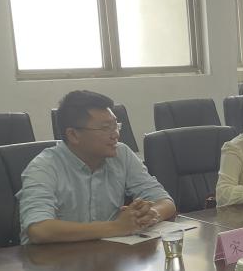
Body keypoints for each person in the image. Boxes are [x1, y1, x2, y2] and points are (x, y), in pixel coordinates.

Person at [18, 90, 175, 245]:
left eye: (116, 126)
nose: (115, 134)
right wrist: (116, 227)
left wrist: (148, 215)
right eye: (106, 128)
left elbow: (165, 202)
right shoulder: (44, 167)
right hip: (50, 258)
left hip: (106, 253)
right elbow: (39, 229)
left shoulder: (122, 153)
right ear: (73, 135)